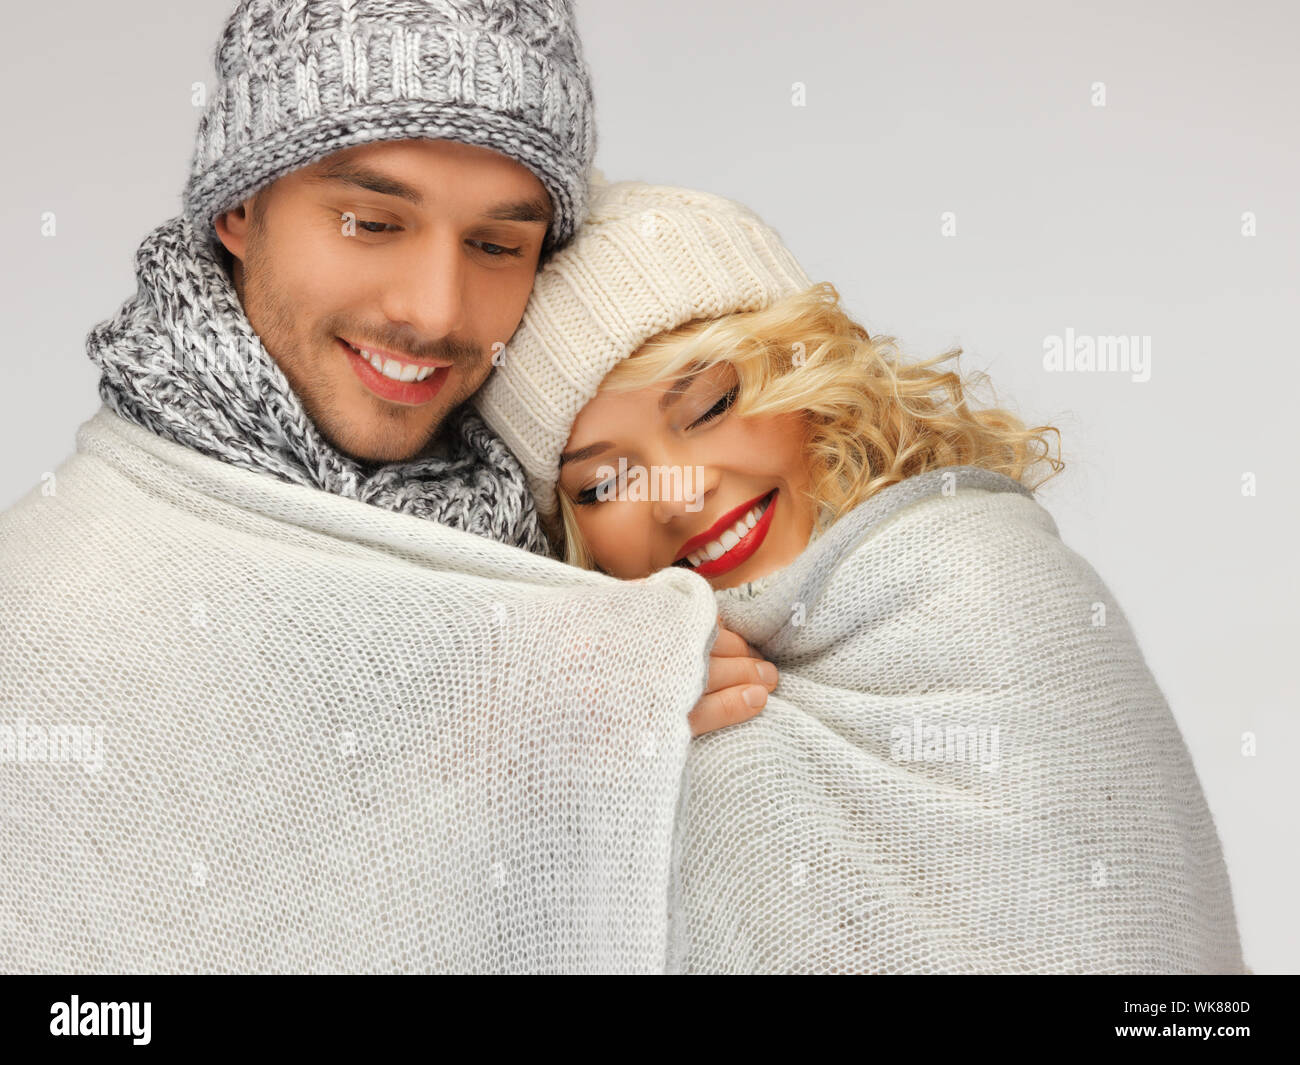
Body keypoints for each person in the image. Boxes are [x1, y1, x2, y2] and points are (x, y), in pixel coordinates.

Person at [0, 1, 771, 973]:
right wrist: (508, 766)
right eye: (370, 221)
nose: (433, 312)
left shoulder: (568, 550)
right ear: (240, 209)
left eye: (497, 246)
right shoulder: (47, 608)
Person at [474, 178, 1249, 973]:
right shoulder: (602, 709)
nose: (681, 494)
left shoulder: (992, 585)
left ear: (811, 374)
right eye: (603, 485)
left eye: (710, 405)